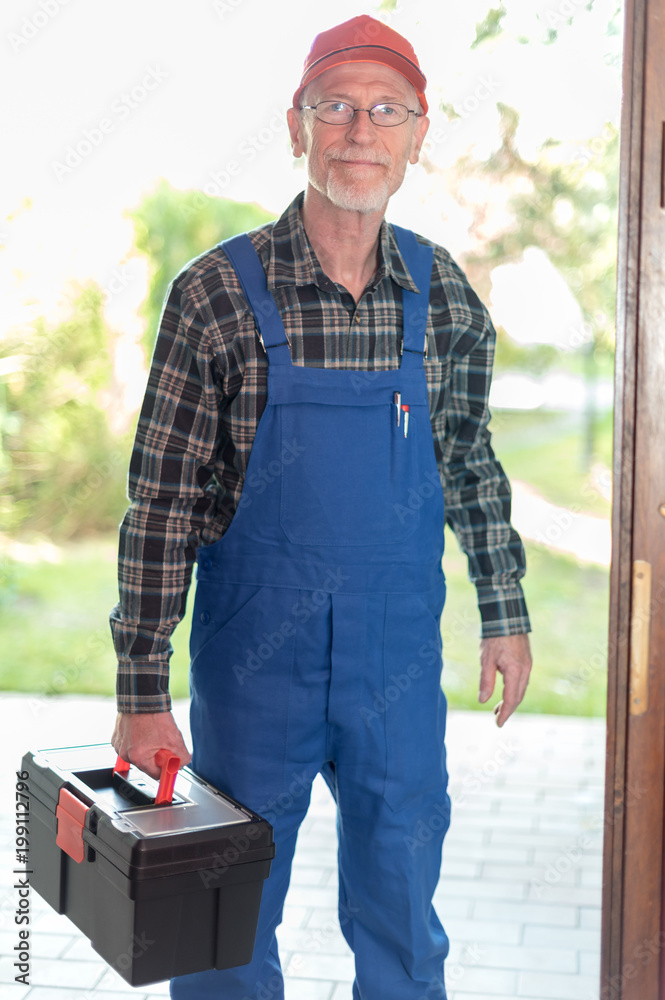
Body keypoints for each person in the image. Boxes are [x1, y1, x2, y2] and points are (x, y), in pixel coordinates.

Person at [110, 14, 532, 999]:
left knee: (398, 906)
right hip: (257, 668)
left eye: (384, 110)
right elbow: (162, 503)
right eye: (332, 106)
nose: (357, 130)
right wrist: (140, 690)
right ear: (294, 126)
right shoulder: (215, 294)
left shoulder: (446, 301)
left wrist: (503, 614)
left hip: (394, 666)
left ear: (417, 135)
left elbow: (468, 462)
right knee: (223, 917)